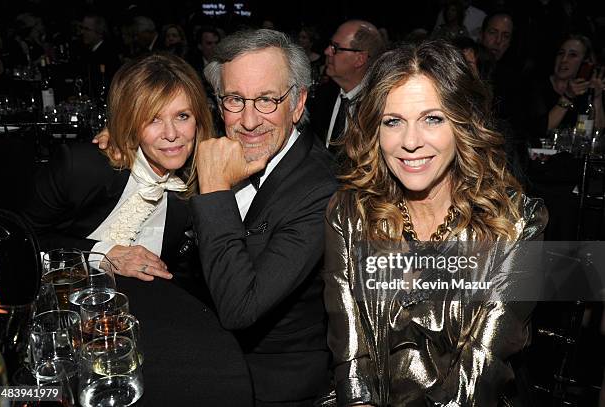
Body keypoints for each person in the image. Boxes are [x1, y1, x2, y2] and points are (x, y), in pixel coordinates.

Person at [322, 40, 548, 405]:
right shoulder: (349, 213)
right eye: (393, 122)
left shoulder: (518, 223)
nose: (410, 142)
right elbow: (351, 357)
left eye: (432, 119)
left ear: (463, 123)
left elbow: (481, 368)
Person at [191, 29, 337, 405]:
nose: (249, 121)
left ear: (298, 102)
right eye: (235, 99)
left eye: (267, 100)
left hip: (270, 386)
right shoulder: (219, 150)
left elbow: (241, 307)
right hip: (209, 353)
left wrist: (214, 189)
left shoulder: (321, 187)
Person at [22, 53, 213, 281]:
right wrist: (100, 254)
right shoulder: (81, 167)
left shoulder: (202, 181)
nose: (171, 134)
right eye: (153, 119)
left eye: (183, 116)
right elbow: (23, 239)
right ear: (129, 120)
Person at [308, 20, 384, 156]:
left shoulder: (380, 109)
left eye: (335, 48)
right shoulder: (322, 95)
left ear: (360, 59)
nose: (326, 51)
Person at [527, 34, 604, 135]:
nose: (563, 60)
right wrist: (567, 97)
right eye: (561, 53)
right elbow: (538, 131)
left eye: (572, 55)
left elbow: (598, 135)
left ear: (586, 62)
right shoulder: (535, 85)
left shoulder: (585, 91)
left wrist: (597, 97)